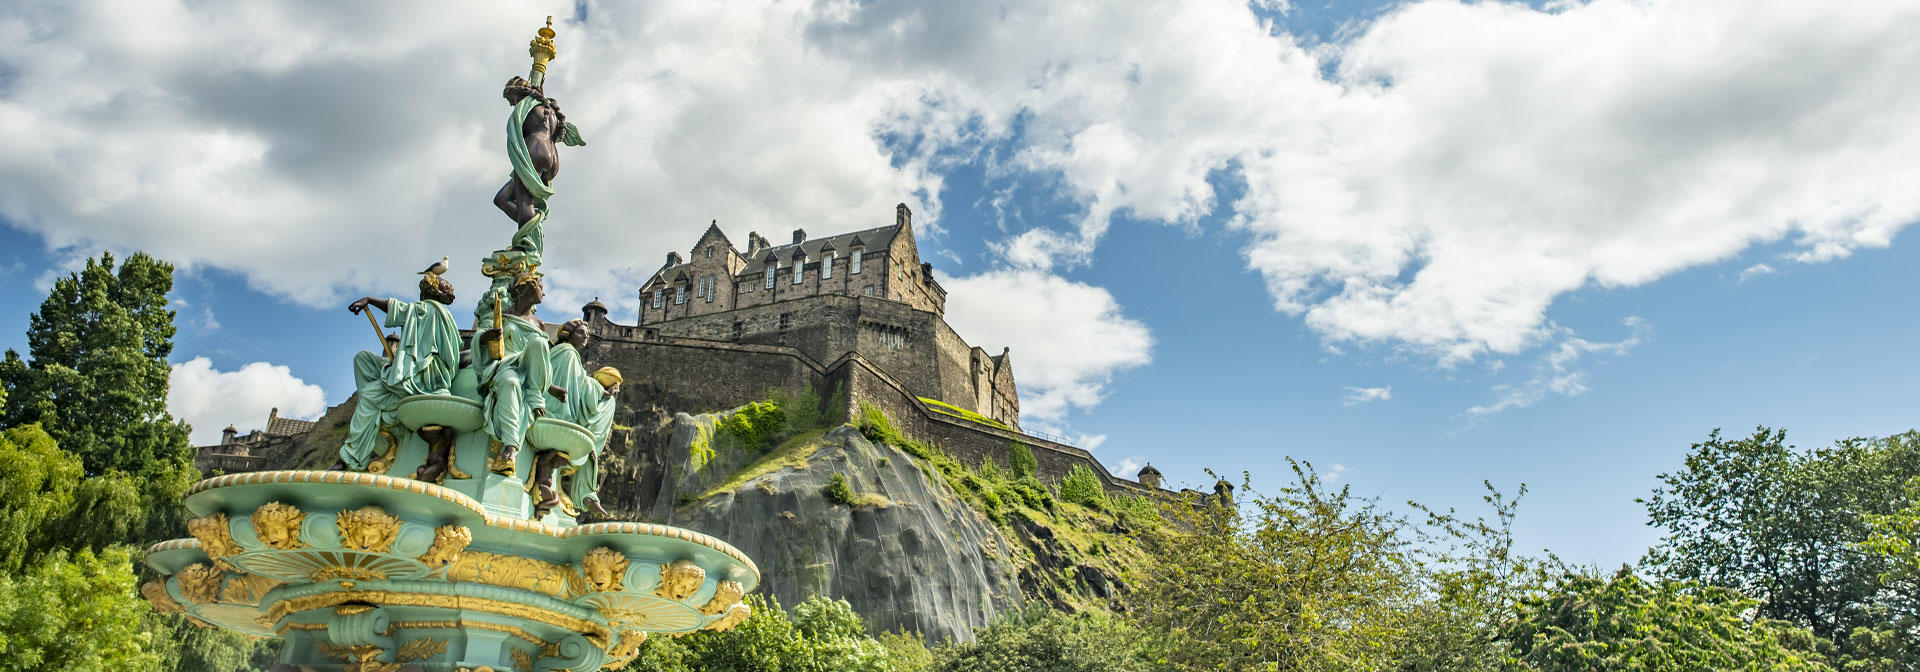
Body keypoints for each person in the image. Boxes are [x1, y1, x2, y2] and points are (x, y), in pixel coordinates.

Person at [335, 275, 460, 471]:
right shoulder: (436, 312)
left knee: (369, 395)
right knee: (364, 359)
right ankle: (379, 408)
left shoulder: (428, 309)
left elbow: (397, 308)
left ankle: (350, 459)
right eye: (447, 287)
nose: (451, 290)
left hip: (421, 378)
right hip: (417, 370)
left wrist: (368, 300)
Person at [473, 272, 564, 476]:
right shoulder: (501, 314)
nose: (544, 292)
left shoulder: (539, 324)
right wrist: (486, 335)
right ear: (528, 288)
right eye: (540, 286)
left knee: (540, 342)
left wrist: (551, 388)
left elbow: (540, 360)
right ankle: (511, 445)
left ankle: (533, 394)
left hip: (528, 372)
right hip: (504, 366)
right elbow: (478, 337)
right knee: (510, 382)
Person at [537, 319, 619, 517]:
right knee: (608, 405)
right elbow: (579, 385)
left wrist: (600, 389)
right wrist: (603, 393)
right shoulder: (567, 353)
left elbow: (580, 382)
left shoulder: (565, 354)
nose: (586, 338)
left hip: (550, 411)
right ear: (568, 334)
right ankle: (583, 491)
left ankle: (581, 492)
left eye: (587, 334)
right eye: (581, 333)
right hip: (556, 412)